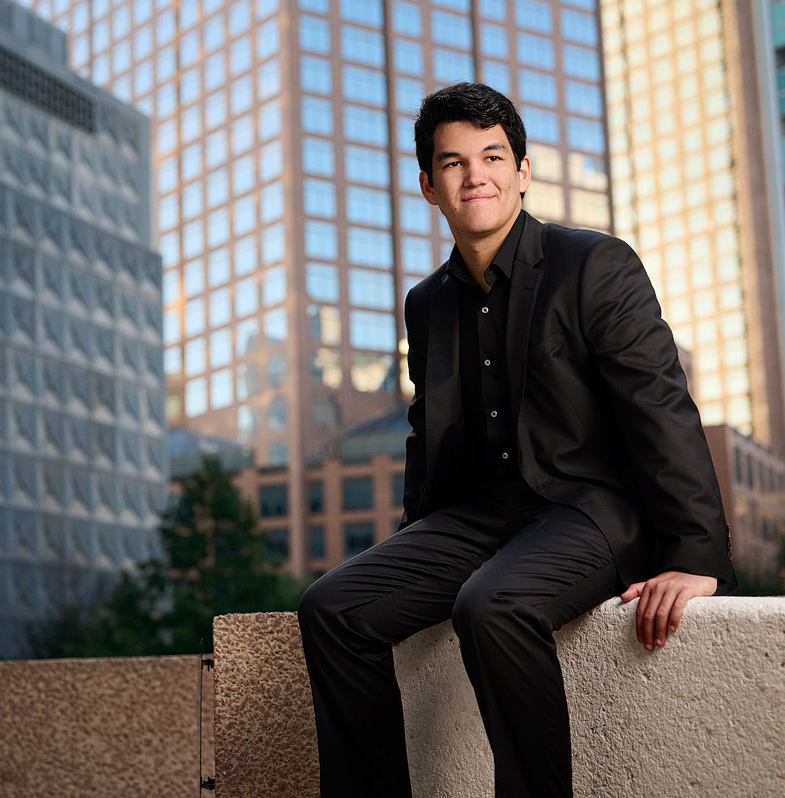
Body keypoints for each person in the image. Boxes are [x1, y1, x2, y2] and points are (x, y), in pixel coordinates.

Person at [297, 82, 737, 798]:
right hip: (480, 518)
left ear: (522, 172)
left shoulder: (594, 264)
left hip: (592, 512)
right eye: (453, 163)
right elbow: (425, 437)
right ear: (428, 187)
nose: (476, 175)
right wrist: (414, 555)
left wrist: (696, 556)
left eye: (493, 156)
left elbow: (661, 408)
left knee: (491, 604)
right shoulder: (428, 303)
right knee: (332, 608)